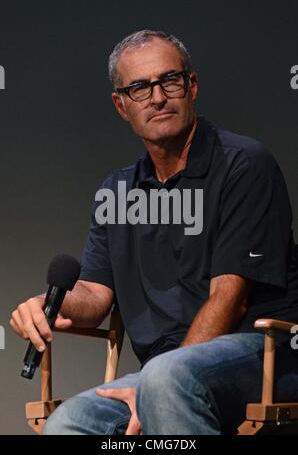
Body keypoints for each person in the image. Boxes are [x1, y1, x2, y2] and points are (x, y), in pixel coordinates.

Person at [10, 30, 298, 435]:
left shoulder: (244, 166)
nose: (158, 97)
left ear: (192, 86)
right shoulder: (118, 191)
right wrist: (47, 304)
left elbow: (230, 298)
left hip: (262, 358)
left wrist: (158, 384)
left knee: (166, 378)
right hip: (165, 371)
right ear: (121, 105)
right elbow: (94, 296)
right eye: (140, 88)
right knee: (70, 422)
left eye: (170, 81)